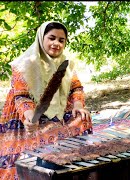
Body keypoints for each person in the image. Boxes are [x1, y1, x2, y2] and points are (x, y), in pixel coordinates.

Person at [0, 21, 92, 179]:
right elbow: (21, 96)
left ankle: (69, 169)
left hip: (58, 110)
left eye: (61, 40)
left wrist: (78, 106)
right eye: (52, 38)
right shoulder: (25, 64)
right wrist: (29, 117)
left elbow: (76, 88)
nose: (56, 43)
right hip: (27, 112)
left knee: (82, 118)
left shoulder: (66, 65)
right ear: (41, 39)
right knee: (30, 156)